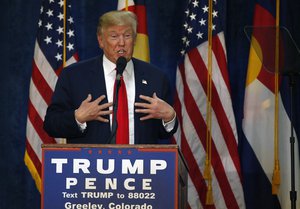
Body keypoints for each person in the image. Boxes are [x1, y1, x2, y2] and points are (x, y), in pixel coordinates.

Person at [43, 10, 177, 144]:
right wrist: (77, 117)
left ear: (134, 40)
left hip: (140, 163)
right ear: (101, 40)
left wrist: (169, 118)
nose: (121, 43)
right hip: (91, 162)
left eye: (127, 35)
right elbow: (51, 124)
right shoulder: (74, 76)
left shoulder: (156, 77)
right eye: (114, 36)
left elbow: (163, 133)